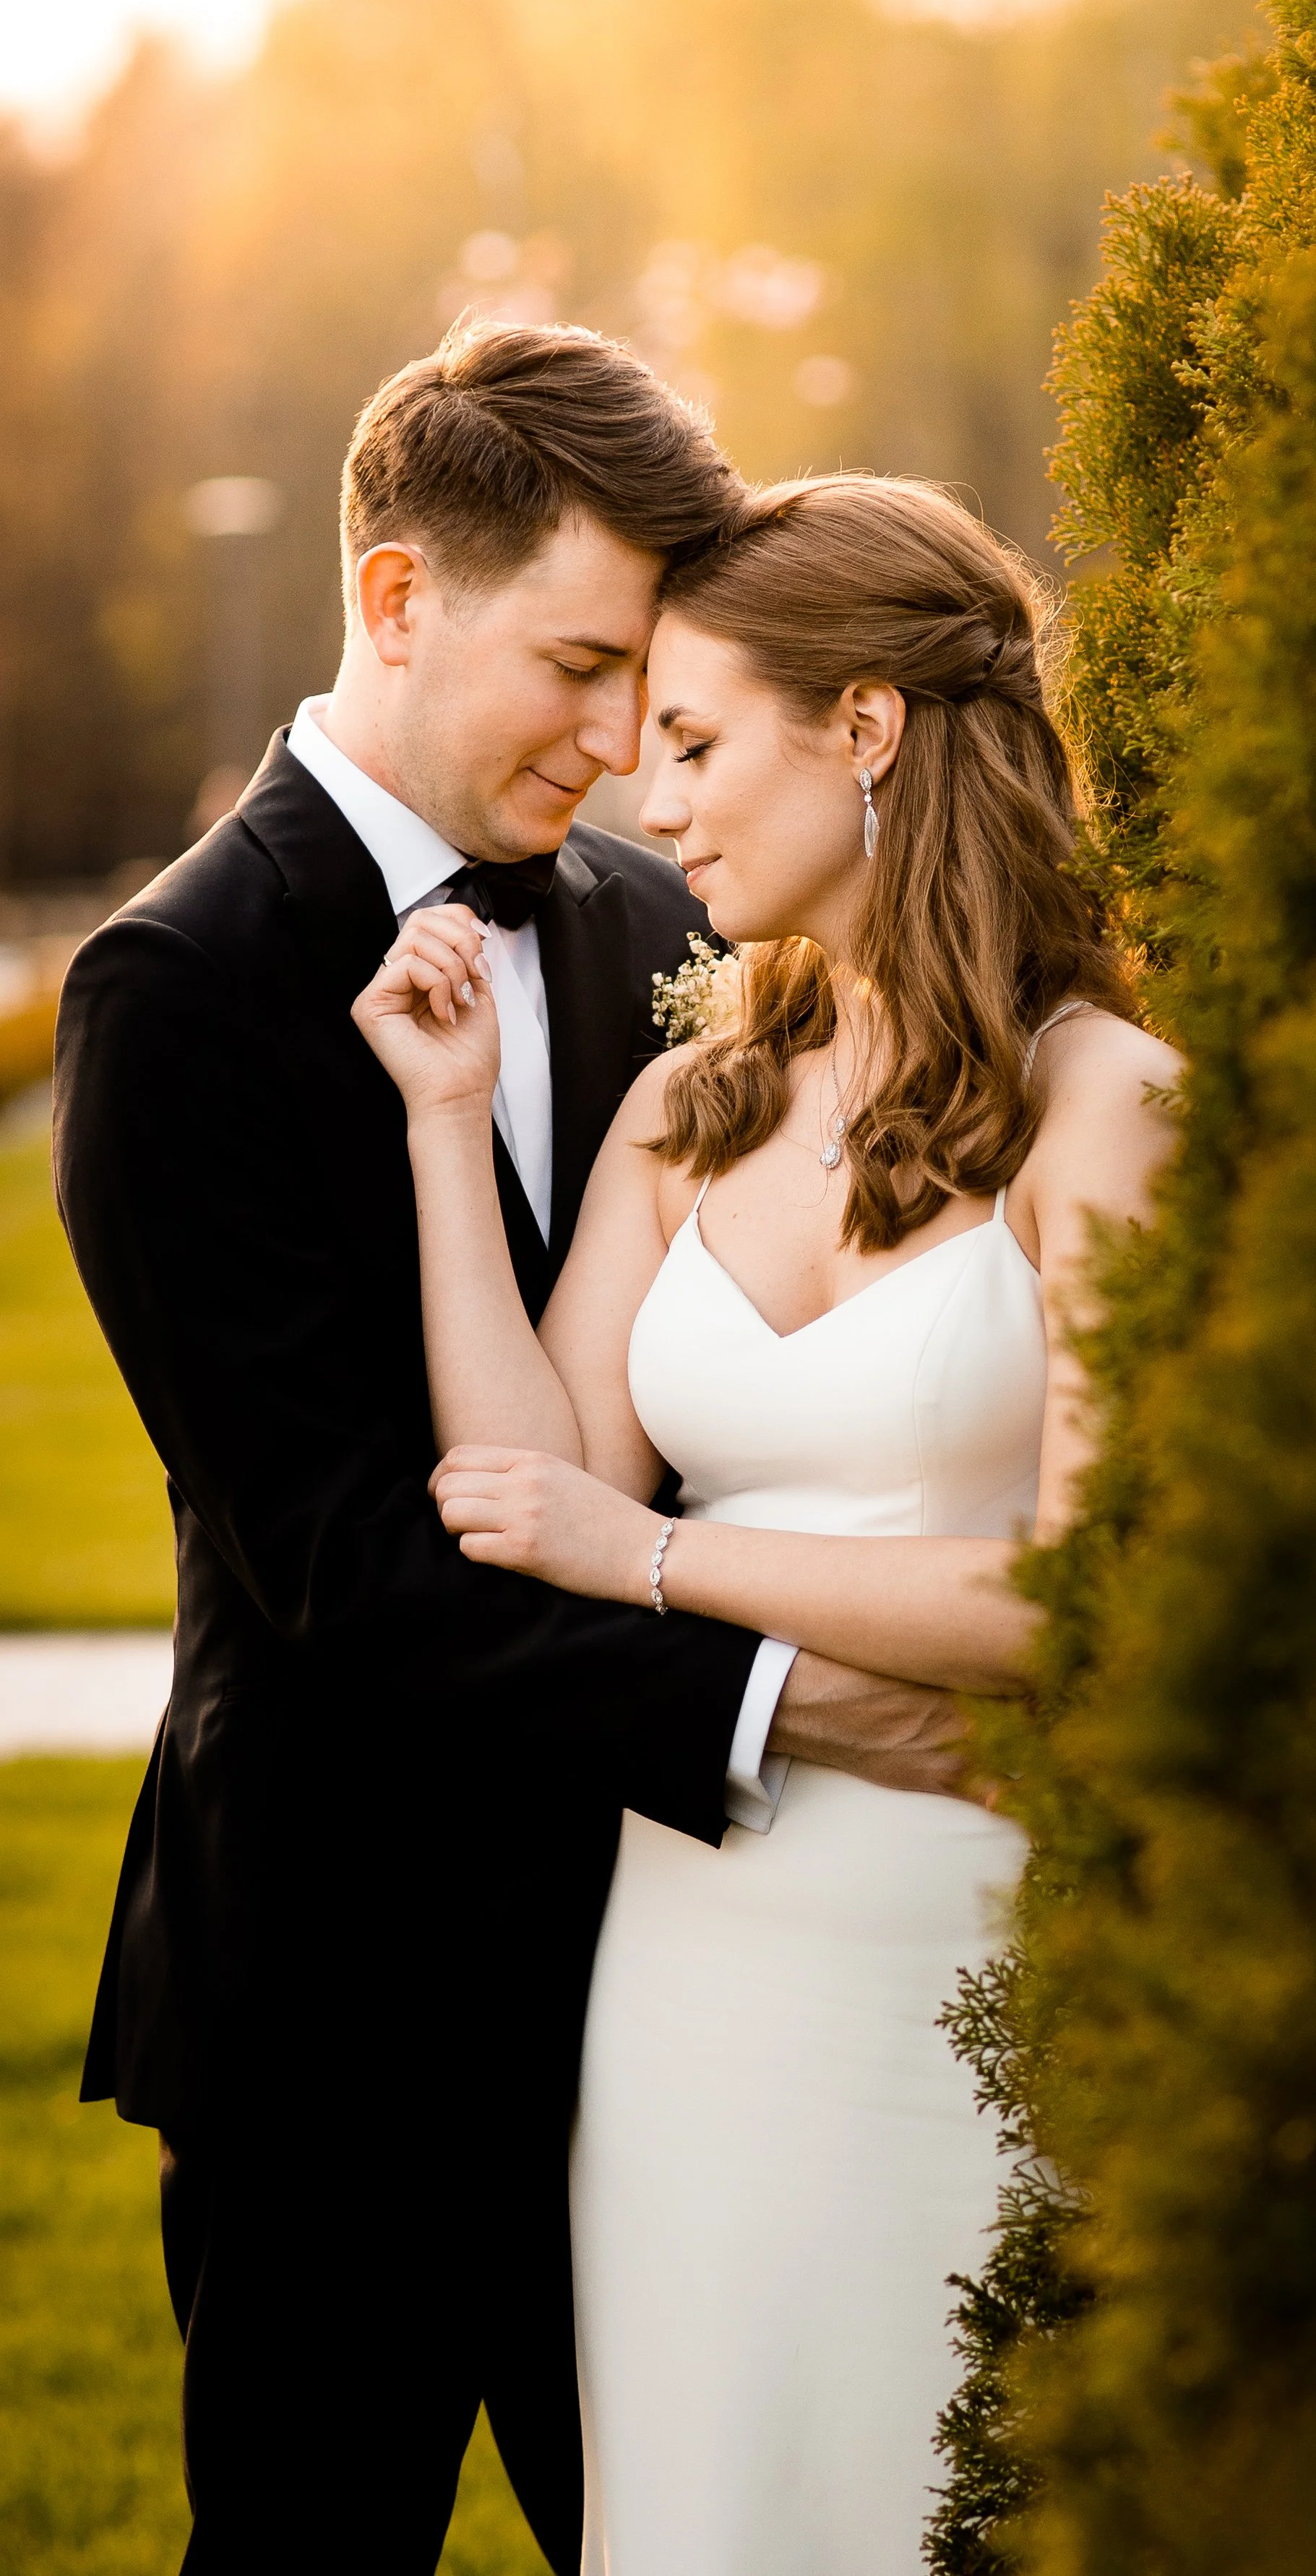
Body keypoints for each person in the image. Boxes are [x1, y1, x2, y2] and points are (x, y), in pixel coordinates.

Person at [53, 329, 963, 2576]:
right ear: (390, 597)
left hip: (674, 1982)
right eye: (572, 663)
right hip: (333, 2013)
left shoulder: (659, 925)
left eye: (643, 681)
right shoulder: (174, 991)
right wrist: (780, 1703)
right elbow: (337, 1557)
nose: (612, 742)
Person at [353, 473, 1180, 2573]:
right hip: (691, 1962)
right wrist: (450, 1137)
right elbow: (521, 1473)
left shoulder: (1109, 1110)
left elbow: (1081, 1598)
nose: (655, 789)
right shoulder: (691, 1100)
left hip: (973, 1936)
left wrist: (650, 1563)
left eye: (702, 738)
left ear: (871, 726)